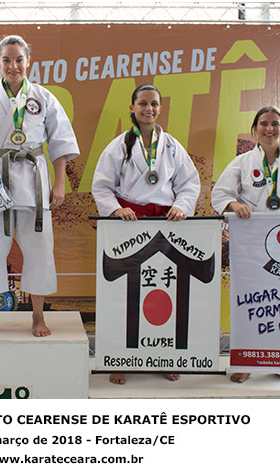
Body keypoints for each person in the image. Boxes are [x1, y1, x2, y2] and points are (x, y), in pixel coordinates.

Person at [0, 35, 79, 338]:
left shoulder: (44, 98)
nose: (13, 66)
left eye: (19, 59)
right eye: (7, 60)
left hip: (33, 180)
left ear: (28, 62)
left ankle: (38, 315)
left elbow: (61, 142)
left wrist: (59, 183)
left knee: (39, 249)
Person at [92, 84, 201, 385]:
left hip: (165, 225)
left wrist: (181, 206)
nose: (148, 109)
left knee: (163, 291)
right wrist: (116, 210)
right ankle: (120, 358)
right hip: (130, 225)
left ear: (160, 108)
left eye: (153, 103)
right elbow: (102, 186)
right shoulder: (118, 146)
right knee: (124, 293)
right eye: (142, 103)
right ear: (132, 107)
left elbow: (189, 183)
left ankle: (161, 357)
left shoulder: (172, 147)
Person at [211, 105, 280, 384]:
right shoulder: (242, 162)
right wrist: (234, 204)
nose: (269, 128)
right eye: (264, 123)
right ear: (255, 129)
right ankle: (246, 361)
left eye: (275, 123)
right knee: (250, 300)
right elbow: (221, 194)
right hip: (251, 241)